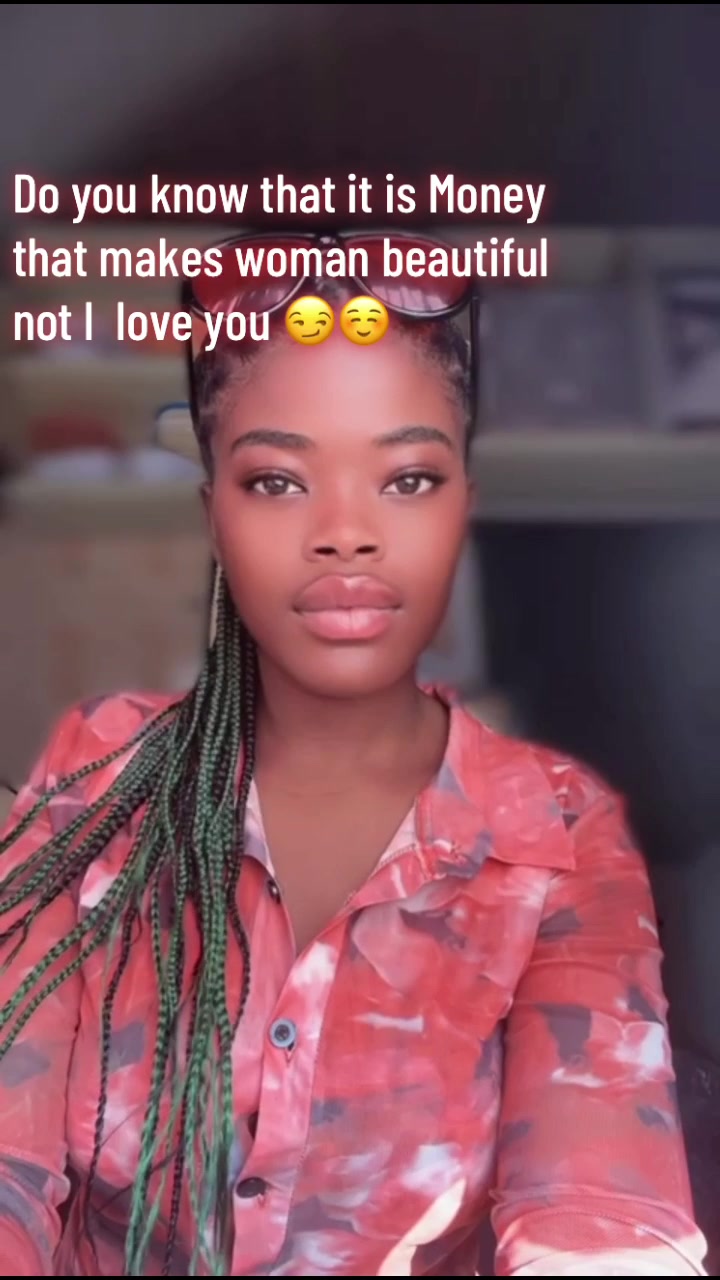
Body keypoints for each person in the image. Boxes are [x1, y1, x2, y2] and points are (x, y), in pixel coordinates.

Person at [0, 238, 708, 1278]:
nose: (345, 534)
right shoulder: (97, 766)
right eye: (277, 480)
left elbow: (601, 1205)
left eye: (408, 478)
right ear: (214, 515)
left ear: (462, 504)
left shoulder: (557, 829)